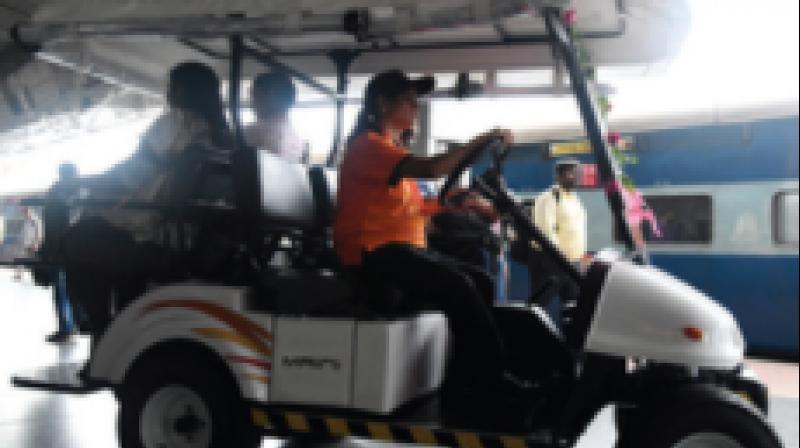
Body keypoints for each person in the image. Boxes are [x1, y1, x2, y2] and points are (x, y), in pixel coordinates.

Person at [333, 69, 525, 398]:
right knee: (461, 286)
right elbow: (435, 168)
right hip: (373, 252)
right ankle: (488, 383)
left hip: (400, 250)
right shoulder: (368, 147)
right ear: (382, 104)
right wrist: (482, 139)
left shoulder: (388, 150)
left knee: (481, 280)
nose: (415, 108)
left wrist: (456, 203)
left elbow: (415, 207)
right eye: (408, 101)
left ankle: (467, 376)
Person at [61, 61, 231, 333]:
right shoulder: (224, 135)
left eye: (170, 87)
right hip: (188, 237)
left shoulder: (176, 122)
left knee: (73, 241)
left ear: (180, 90)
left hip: (157, 235)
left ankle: (101, 329)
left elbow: (130, 174)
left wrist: (84, 184)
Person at [528, 159, 586, 323]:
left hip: (572, 262)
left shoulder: (574, 198)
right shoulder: (548, 198)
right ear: (562, 175)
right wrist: (560, 258)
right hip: (550, 261)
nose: (578, 177)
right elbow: (546, 232)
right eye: (575, 173)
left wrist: (580, 256)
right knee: (540, 305)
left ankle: (569, 343)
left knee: (572, 306)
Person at [41, 162, 80, 342]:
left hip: (61, 249)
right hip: (68, 248)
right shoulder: (76, 193)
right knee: (67, 289)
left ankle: (68, 327)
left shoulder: (56, 194)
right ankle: (72, 325)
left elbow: (51, 225)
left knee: (63, 290)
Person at [244, 71, 309, 164]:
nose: (251, 103)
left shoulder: (254, 131)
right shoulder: (296, 138)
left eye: (254, 94)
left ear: (270, 95)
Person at [14, 207, 42, 281]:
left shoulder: (36, 220)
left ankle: (36, 276)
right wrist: (19, 239)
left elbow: (39, 232)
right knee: (20, 258)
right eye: (24, 213)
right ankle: (19, 275)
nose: (24, 214)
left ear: (30, 211)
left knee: (33, 261)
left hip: (32, 243)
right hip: (24, 243)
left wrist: (36, 242)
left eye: (25, 212)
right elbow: (23, 231)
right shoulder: (25, 220)